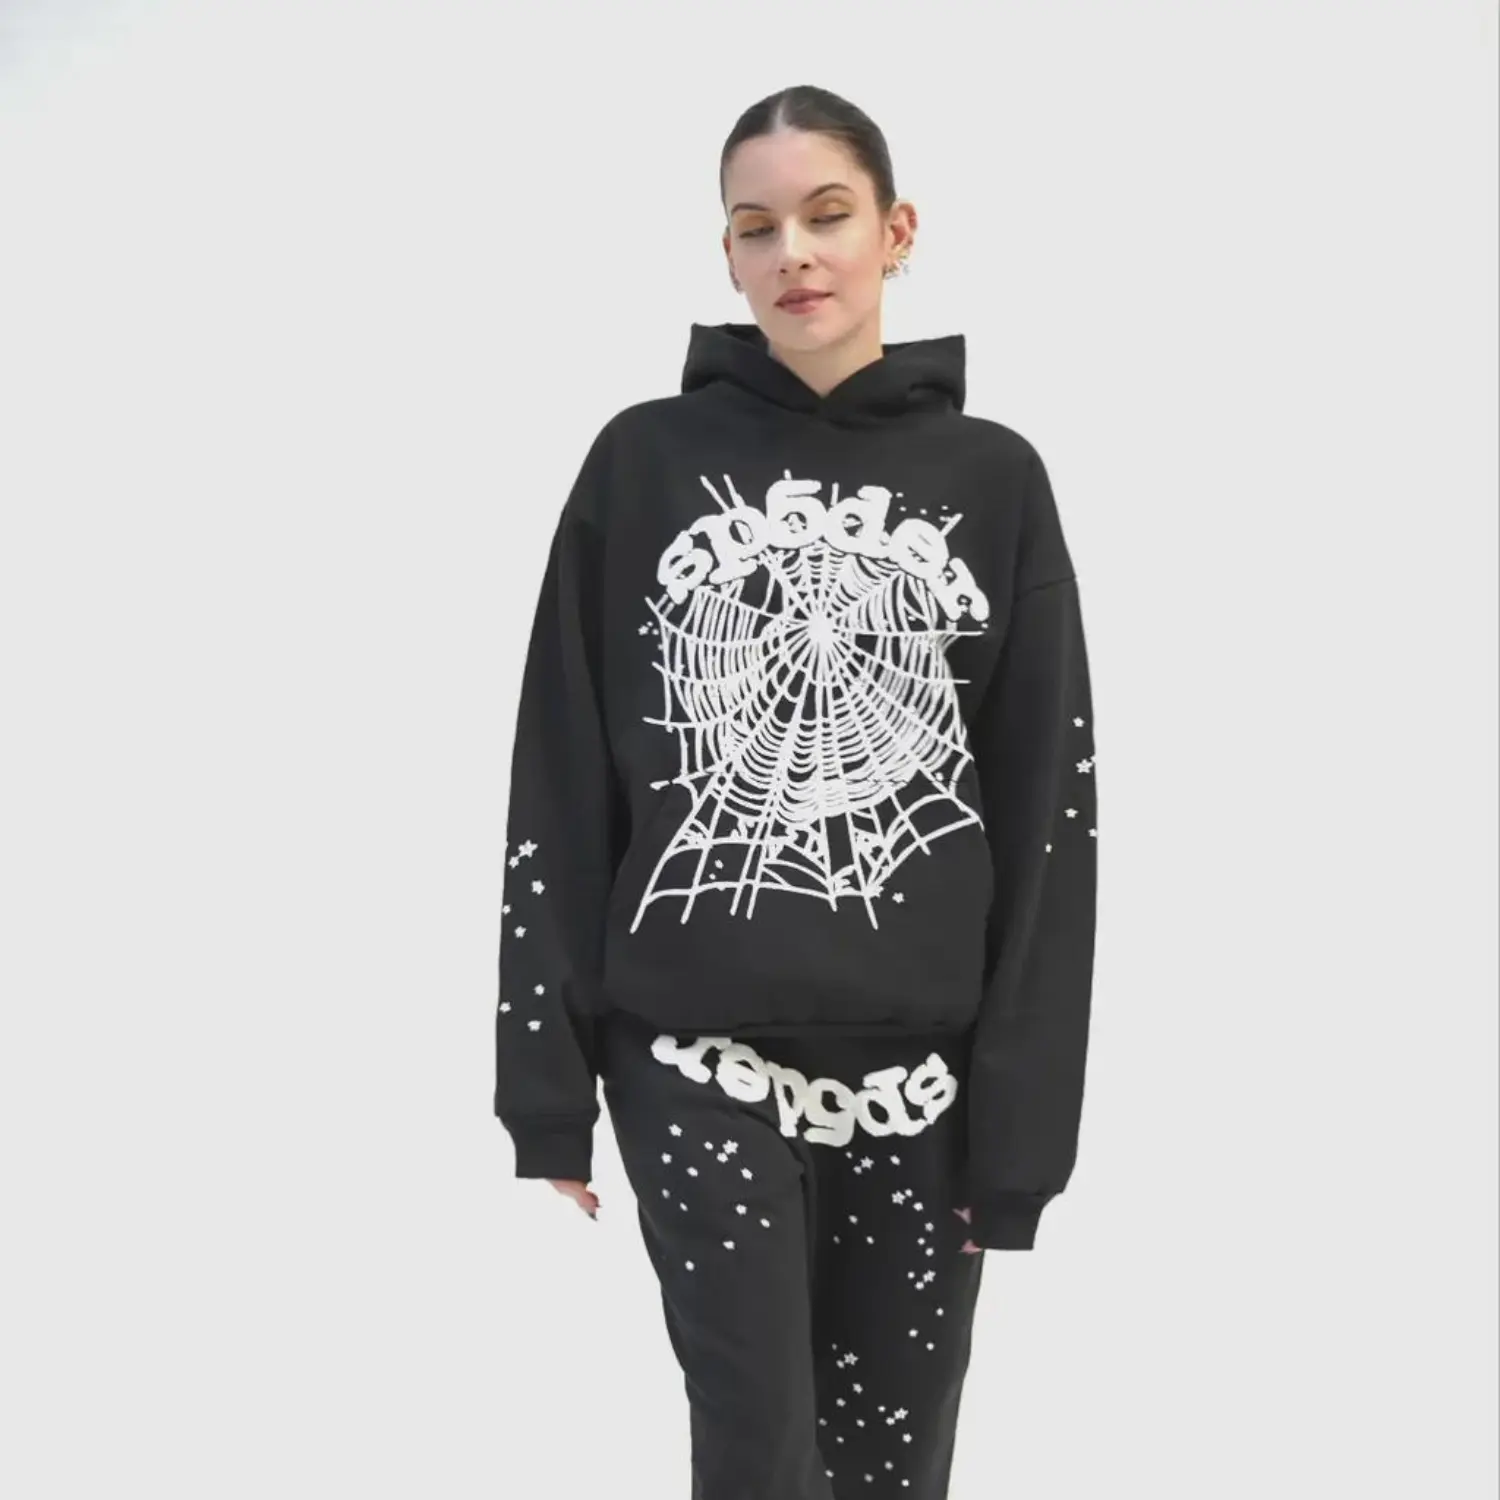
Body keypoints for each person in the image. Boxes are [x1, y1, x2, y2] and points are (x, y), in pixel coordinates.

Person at [493, 83, 1099, 1500]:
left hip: (925, 1081)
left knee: (892, 1459)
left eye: (827, 216)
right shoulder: (642, 461)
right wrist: (547, 1089)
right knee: (757, 1444)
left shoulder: (995, 479)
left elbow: (1047, 822)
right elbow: (560, 774)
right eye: (755, 227)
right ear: (727, 254)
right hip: (686, 1052)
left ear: (898, 231)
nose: (794, 254)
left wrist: (1021, 1139)